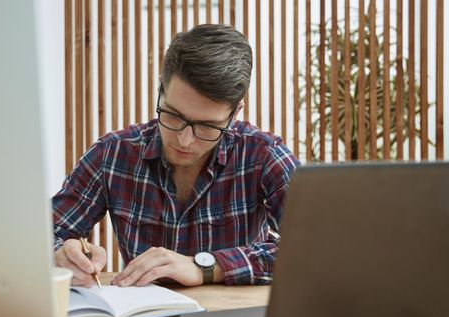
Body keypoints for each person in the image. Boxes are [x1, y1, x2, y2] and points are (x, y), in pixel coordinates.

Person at [53, 24, 299, 287]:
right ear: (161, 90)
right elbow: (39, 236)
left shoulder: (264, 155)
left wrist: (207, 266)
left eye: (207, 126)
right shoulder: (112, 155)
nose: (184, 140)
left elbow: (320, 249)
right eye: (173, 115)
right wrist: (60, 254)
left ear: (234, 113)